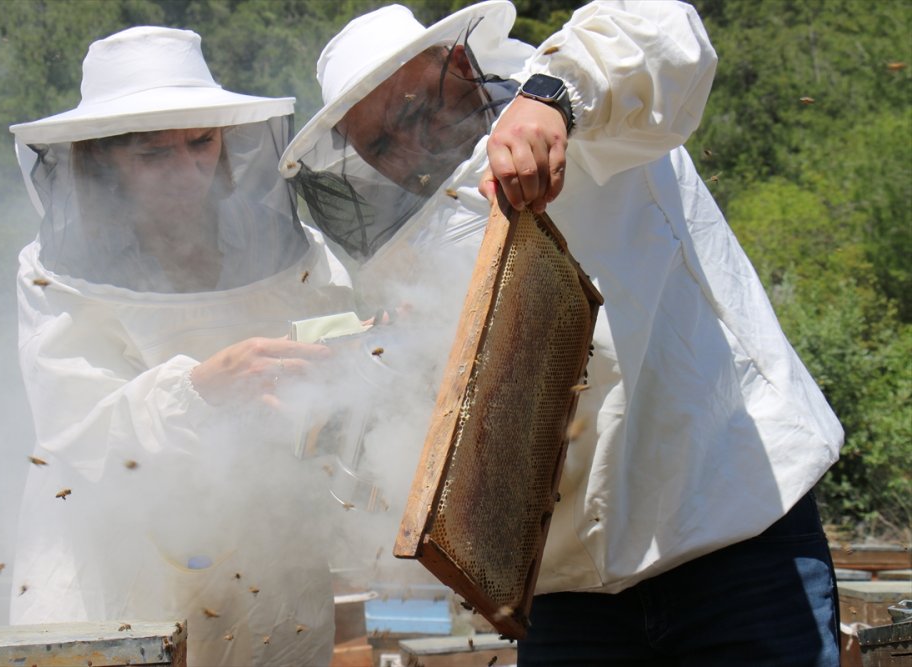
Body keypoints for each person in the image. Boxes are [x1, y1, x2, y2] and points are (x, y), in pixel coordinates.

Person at [280, 1, 845, 665]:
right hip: (567, 596)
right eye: (378, 146)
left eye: (408, 115)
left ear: (459, 64)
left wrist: (552, 98)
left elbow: (666, 30)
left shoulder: (588, 112)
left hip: (733, 538)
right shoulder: (413, 247)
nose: (405, 150)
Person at [8, 26, 360, 666]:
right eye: (153, 155)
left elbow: (342, 359)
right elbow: (79, 433)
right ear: (102, 158)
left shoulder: (291, 250)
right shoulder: (52, 274)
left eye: (202, 143)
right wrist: (196, 390)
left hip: (267, 559)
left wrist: (361, 358)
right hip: (119, 568)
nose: (187, 169)